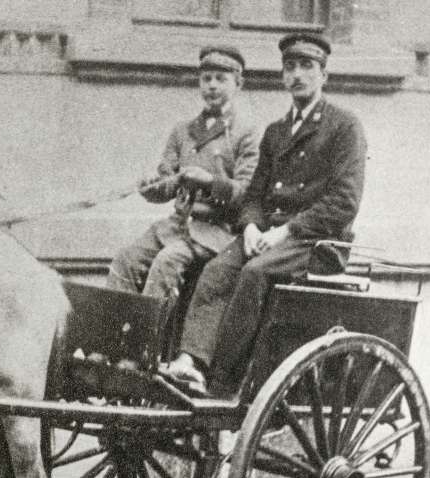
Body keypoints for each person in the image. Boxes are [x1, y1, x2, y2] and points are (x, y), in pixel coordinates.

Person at [162, 32, 367, 397]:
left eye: (307, 66)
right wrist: (253, 226)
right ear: (283, 76)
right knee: (217, 269)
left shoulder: (344, 126)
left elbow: (344, 201)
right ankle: (190, 363)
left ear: (324, 75)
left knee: (254, 273)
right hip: (270, 236)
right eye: (290, 67)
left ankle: (223, 383)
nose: (298, 75)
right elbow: (254, 194)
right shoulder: (276, 132)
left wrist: (284, 232)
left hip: (317, 243)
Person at [107, 45, 260, 300]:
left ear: (238, 84)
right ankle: (111, 335)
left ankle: (149, 339)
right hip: (176, 227)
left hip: (216, 232)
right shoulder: (183, 131)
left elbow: (247, 193)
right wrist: (152, 186)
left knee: (166, 264)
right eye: (206, 78)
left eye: (221, 79)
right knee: (126, 259)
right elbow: (167, 184)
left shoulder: (246, 133)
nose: (212, 85)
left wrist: (210, 182)